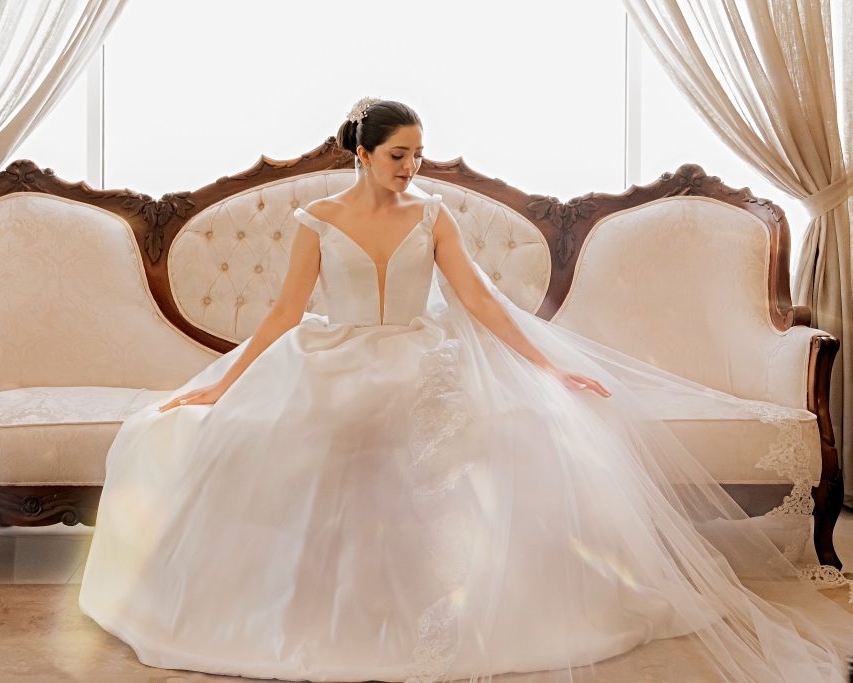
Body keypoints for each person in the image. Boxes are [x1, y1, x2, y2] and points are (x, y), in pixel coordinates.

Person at [79, 98, 852, 682]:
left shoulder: (434, 213)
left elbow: (480, 301)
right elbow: (284, 314)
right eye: (397, 156)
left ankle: (454, 602)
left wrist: (550, 367)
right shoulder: (315, 219)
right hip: (334, 355)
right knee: (296, 439)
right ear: (362, 153)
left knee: (507, 430)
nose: (411, 167)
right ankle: (324, 610)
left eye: (418, 154)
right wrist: (222, 386)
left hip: (422, 355)